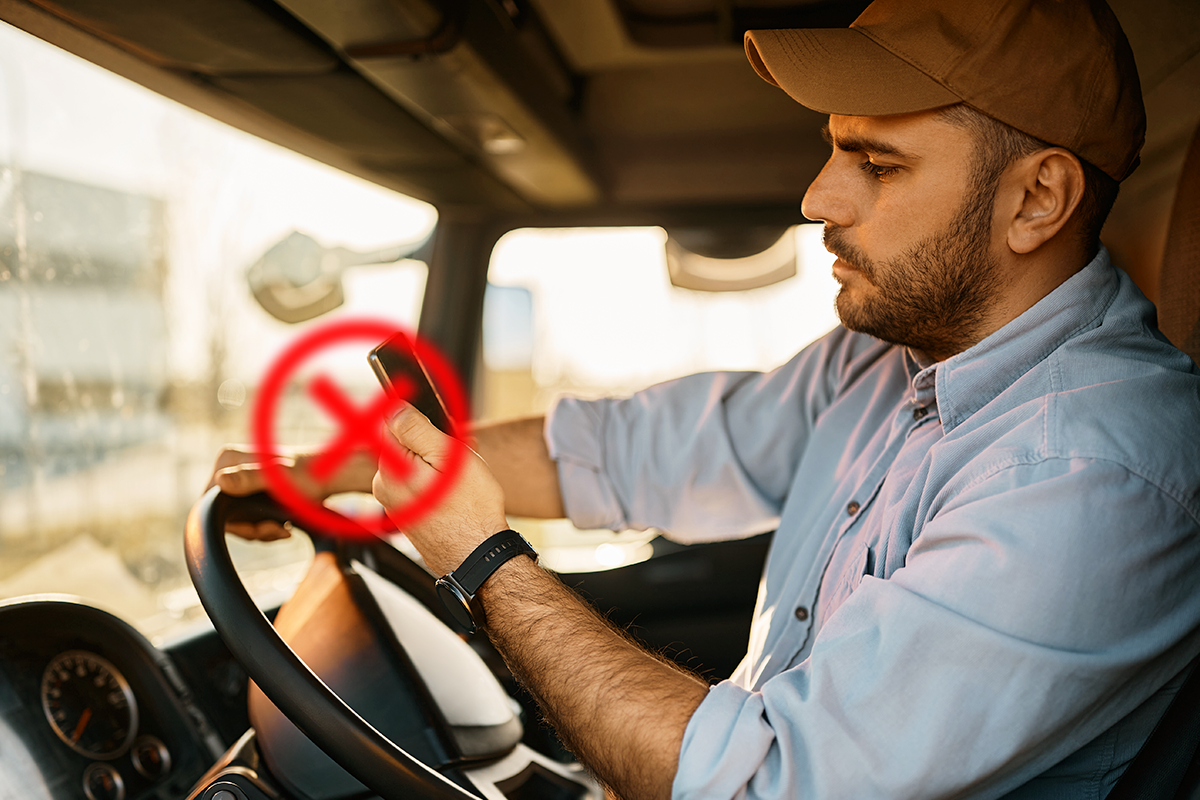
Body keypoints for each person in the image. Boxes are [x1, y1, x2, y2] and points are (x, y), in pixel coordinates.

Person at [211, 0, 1200, 797]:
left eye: (876, 163)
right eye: (833, 147)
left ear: (1039, 200)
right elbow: (630, 449)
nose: (818, 197)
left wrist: (484, 559)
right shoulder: (891, 360)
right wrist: (330, 471)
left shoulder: (1094, 471)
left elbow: (766, 782)